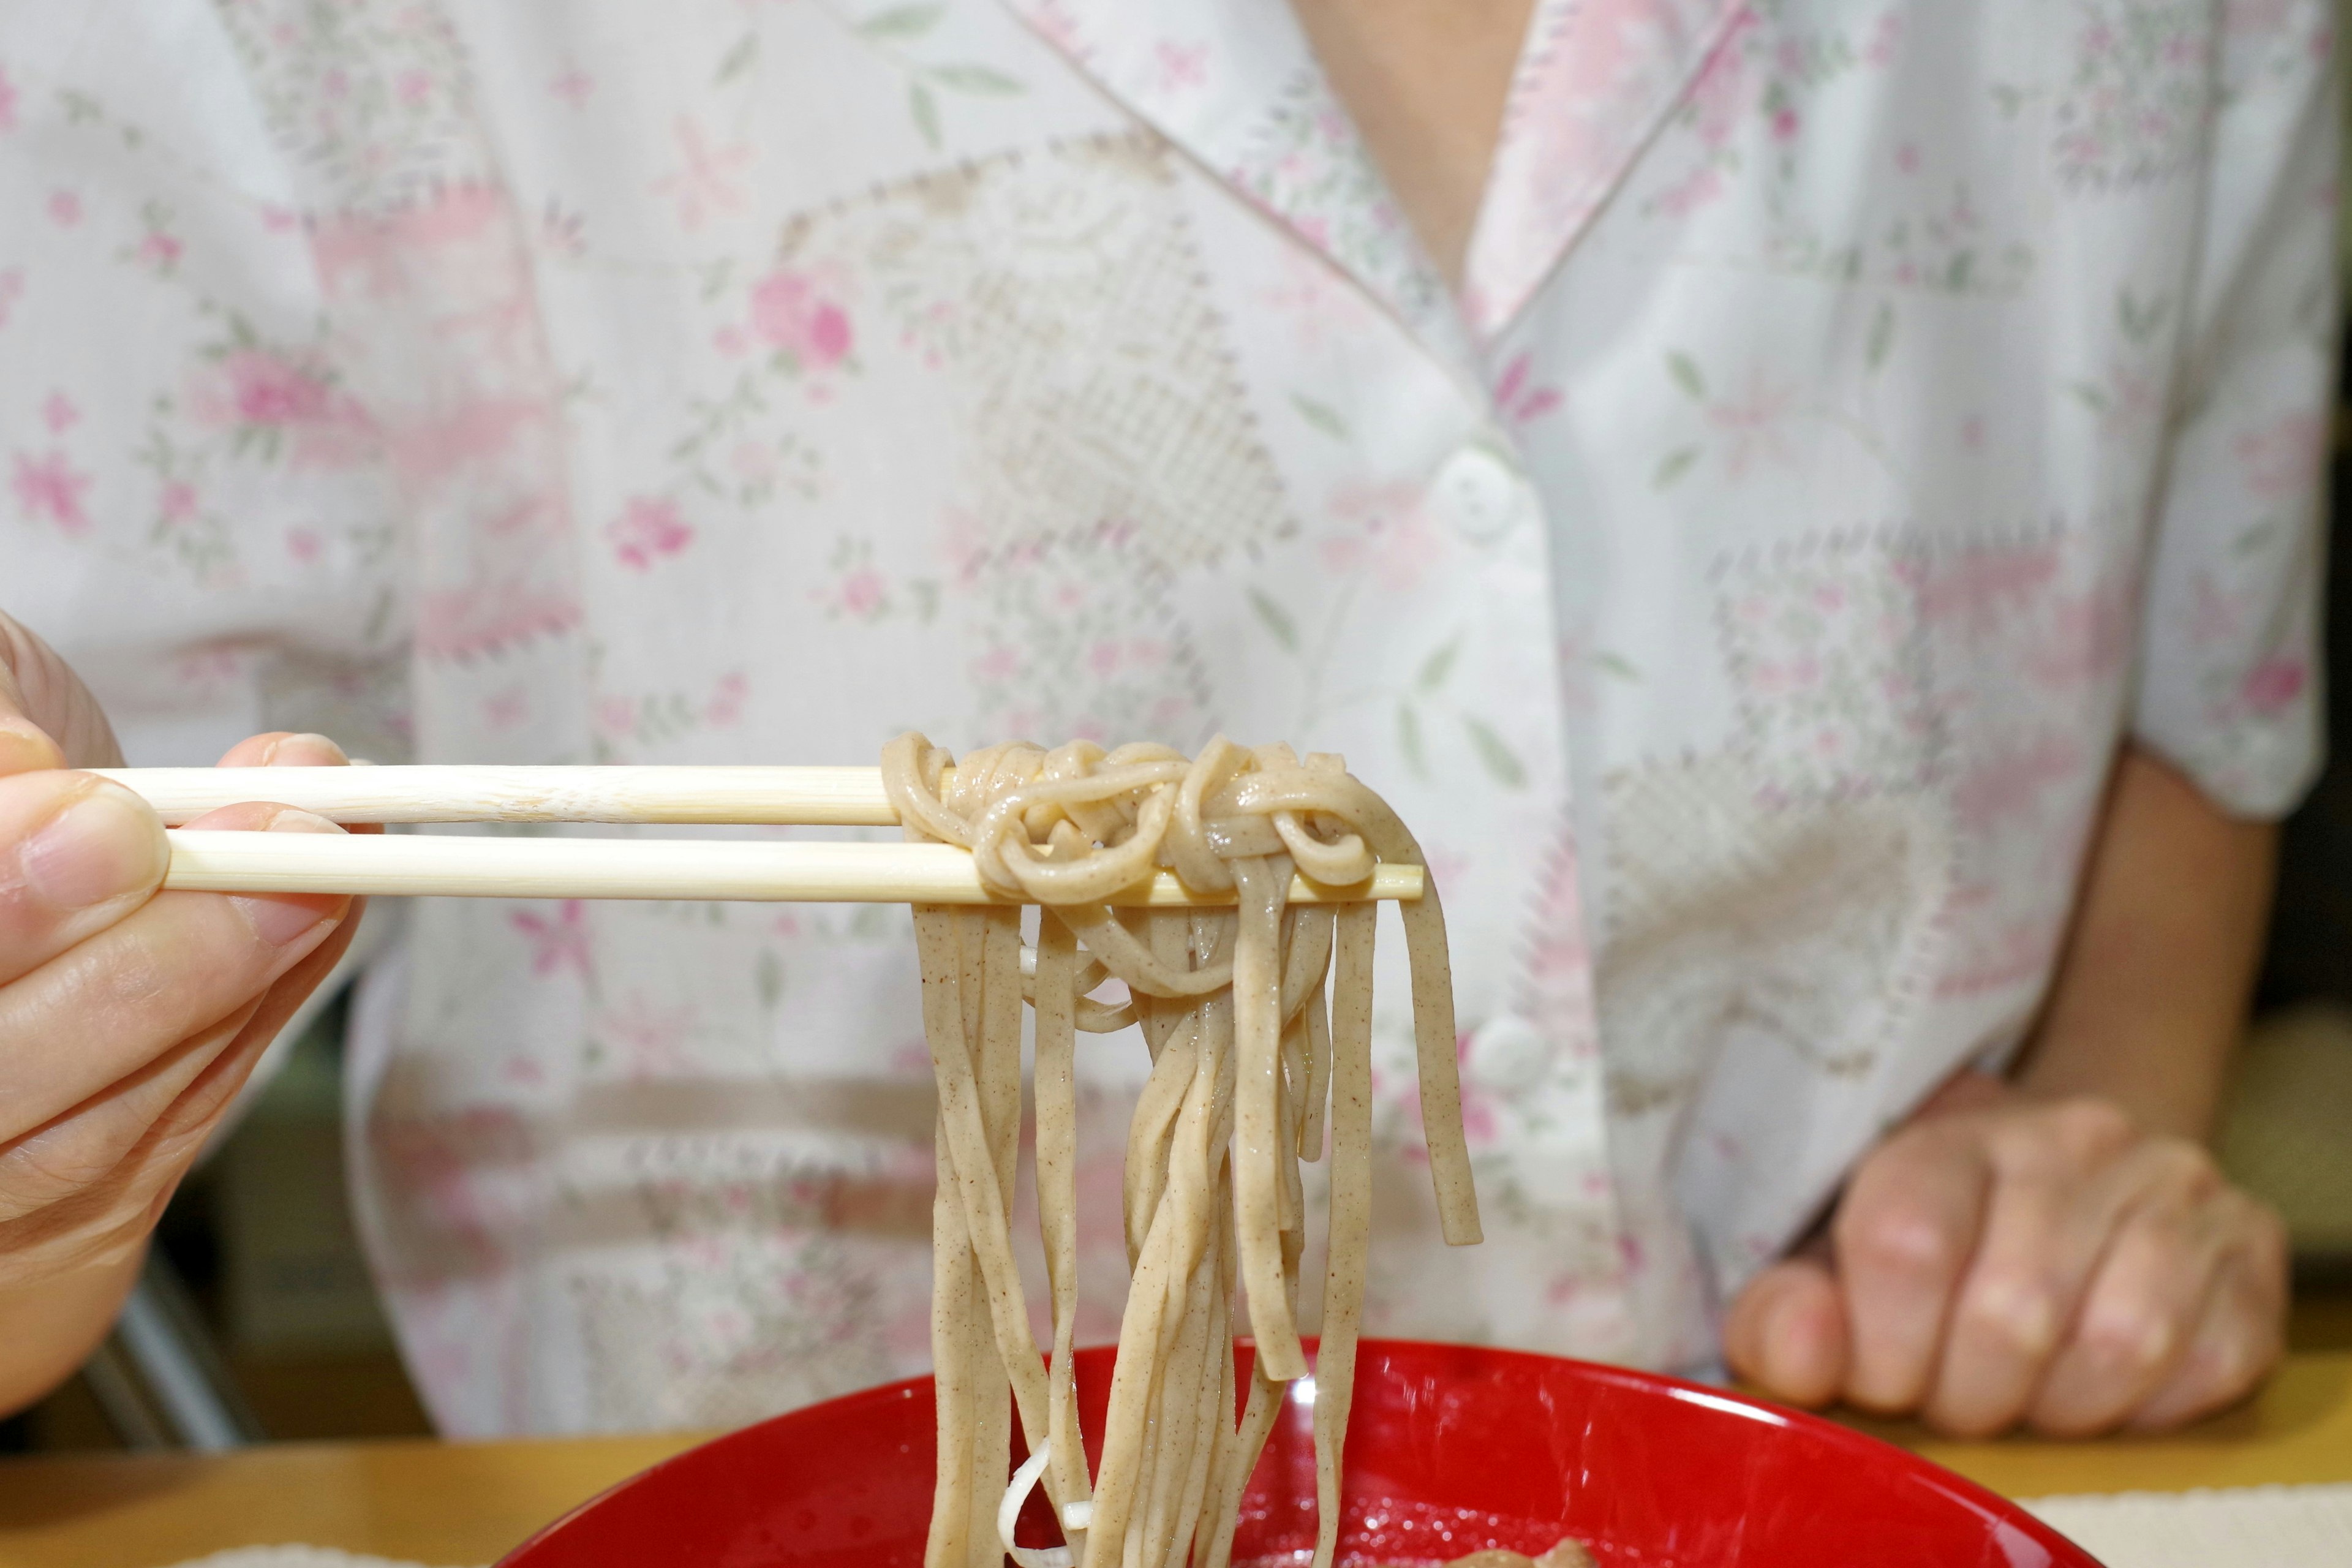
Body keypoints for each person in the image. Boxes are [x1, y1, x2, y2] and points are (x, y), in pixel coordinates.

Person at [0, 0, 2328, 1439]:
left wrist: (2071, 1170)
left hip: (1806, 1481)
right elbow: (93, 781)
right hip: (712, 1485)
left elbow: (2191, 686)